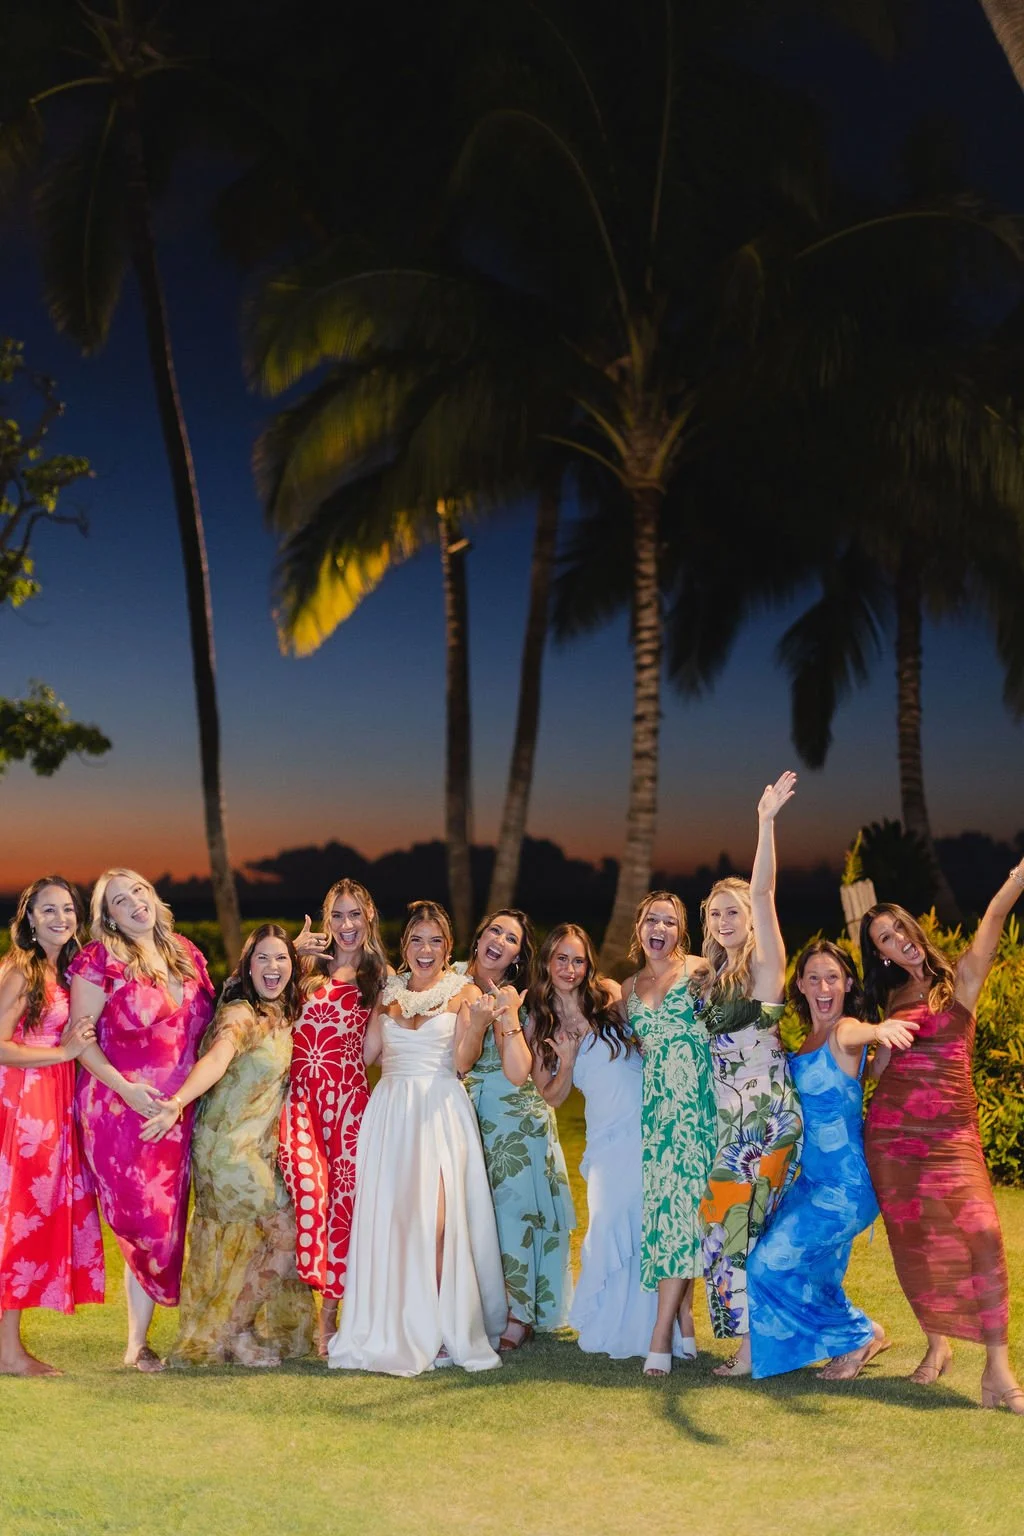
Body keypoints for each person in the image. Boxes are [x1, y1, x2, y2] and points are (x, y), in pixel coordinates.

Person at [861, 874, 1024, 1414]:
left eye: (899, 928)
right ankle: (937, 1346)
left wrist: (1015, 881)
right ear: (881, 954)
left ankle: (997, 1371)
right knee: (916, 1244)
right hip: (893, 1137)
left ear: (915, 927)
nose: (898, 940)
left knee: (982, 1233)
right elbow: (878, 1071)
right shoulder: (891, 998)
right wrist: (869, 1042)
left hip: (953, 1135)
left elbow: (994, 920)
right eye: (885, 938)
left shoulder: (960, 978)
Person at [329, 900, 506, 1376]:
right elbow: (364, 1054)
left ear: (448, 948)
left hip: (439, 1111)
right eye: (416, 941)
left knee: (440, 1223)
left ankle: (444, 1328)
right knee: (398, 1221)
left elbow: (463, 1061)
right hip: (391, 1115)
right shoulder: (387, 991)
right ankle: (401, 1324)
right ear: (404, 946)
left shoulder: (464, 991)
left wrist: (480, 1023)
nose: (425, 950)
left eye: (435, 941)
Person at [140, 924, 315, 1367]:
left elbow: (278, 972)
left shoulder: (281, 1011)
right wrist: (178, 1101)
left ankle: (238, 1329)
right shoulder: (241, 1014)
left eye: (281, 959)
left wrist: (289, 951)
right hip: (227, 1150)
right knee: (286, 1234)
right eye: (262, 958)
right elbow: (218, 1057)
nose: (272, 967)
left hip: (258, 1149)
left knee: (262, 1241)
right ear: (247, 966)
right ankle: (233, 1333)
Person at [68, 868, 215, 1371]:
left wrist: (287, 957)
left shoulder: (185, 953)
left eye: (138, 891)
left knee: (169, 1223)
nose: (133, 903)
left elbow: (218, 1015)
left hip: (179, 1109)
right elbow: (80, 1040)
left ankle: (140, 1341)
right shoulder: (98, 960)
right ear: (108, 916)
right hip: (120, 1108)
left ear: (152, 896)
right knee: (144, 1221)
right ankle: (136, 1344)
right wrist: (127, 1090)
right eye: (118, 900)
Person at [747, 940, 914, 1381]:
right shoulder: (809, 1039)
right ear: (800, 985)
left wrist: (879, 1031)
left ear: (848, 984)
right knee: (811, 1274)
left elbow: (856, 1035)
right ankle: (862, 1336)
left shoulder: (845, 1030)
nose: (824, 988)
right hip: (811, 1182)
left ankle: (857, 1335)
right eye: (814, 978)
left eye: (833, 978)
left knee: (766, 1264)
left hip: (845, 1187)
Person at [695, 772, 803, 1376]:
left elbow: (764, 892)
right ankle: (780, 1337)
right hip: (727, 1122)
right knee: (722, 1225)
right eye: (715, 913)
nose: (724, 919)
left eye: (732, 910)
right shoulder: (710, 978)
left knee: (743, 1227)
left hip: (765, 1121)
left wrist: (764, 821)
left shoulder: (766, 965)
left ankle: (752, 1350)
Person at [533, 923, 655, 1358]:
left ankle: (651, 1328)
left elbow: (646, 1041)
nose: (570, 969)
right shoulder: (540, 1019)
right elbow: (551, 1095)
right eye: (562, 959)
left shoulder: (608, 995)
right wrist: (565, 1062)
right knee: (607, 1219)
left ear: (588, 965)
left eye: (578, 960)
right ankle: (609, 1322)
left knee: (645, 1223)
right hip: (606, 1132)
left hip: (646, 1119)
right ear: (548, 961)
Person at [279, 879, 388, 1354]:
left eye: (355, 914)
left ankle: (327, 1319)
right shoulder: (305, 967)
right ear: (327, 920)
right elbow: (254, 994)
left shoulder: (380, 977)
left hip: (348, 1104)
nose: (347, 925)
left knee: (343, 1210)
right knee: (310, 1191)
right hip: (300, 1101)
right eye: (338, 916)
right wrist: (289, 950)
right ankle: (302, 1301)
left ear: (369, 917)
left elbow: (372, 1053)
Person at [0, 878, 104, 1376]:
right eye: (49, 910)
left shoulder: (64, 969)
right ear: (30, 918)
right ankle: (8, 1353)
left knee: (27, 1220)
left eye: (68, 909)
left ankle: (7, 1348)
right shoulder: (22, 970)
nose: (61, 918)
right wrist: (62, 1052)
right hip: (25, 1105)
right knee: (17, 1221)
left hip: (51, 1101)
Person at [463, 907, 574, 1349]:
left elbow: (519, 1072)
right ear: (478, 937)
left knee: (515, 1213)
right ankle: (479, 1306)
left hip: (516, 1117)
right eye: (495, 931)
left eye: (511, 940)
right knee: (476, 1213)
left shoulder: (520, 999)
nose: (500, 942)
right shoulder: (448, 982)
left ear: (517, 956)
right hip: (465, 1112)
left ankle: (519, 1313)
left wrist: (507, 1015)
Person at [621, 891, 718, 1377]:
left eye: (670, 922)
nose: (659, 929)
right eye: (651, 920)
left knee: (686, 1213)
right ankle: (683, 1314)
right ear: (639, 927)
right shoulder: (627, 988)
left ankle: (660, 1335)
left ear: (682, 931)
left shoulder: (700, 971)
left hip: (698, 1111)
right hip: (657, 1116)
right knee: (668, 1217)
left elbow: (725, 1026)